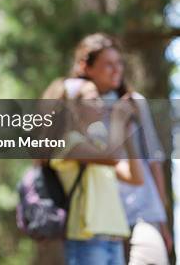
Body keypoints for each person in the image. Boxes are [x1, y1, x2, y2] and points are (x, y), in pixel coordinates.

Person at [70, 33, 171, 265]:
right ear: (87, 67)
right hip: (101, 216)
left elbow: (153, 159)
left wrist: (162, 220)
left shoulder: (134, 103)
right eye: (108, 64)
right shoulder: (78, 106)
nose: (116, 70)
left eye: (119, 63)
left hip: (143, 210)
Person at [49, 77, 143, 265]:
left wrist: (127, 133)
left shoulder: (97, 145)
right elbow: (112, 156)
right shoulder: (69, 144)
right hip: (87, 239)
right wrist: (117, 118)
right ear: (74, 107)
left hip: (114, 238)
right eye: (93, 99)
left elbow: (135, 178)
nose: (101, 104)